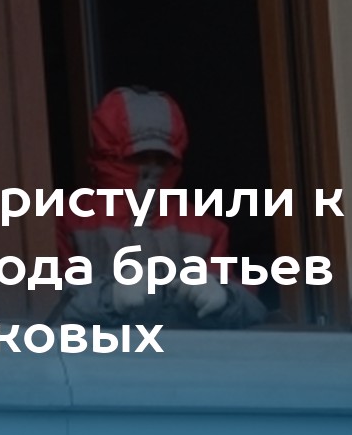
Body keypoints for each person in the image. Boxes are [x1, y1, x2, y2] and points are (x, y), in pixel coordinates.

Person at [57, 86, 266, 328]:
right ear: (107, 157)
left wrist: (225, 298)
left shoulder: (207, 229)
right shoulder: (67, 220)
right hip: (94, 352)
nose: (152, 165)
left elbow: (255, 310)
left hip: (182, 353)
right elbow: (42, 306)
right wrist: (109, 296)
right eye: (138, 156)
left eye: (163, 157)